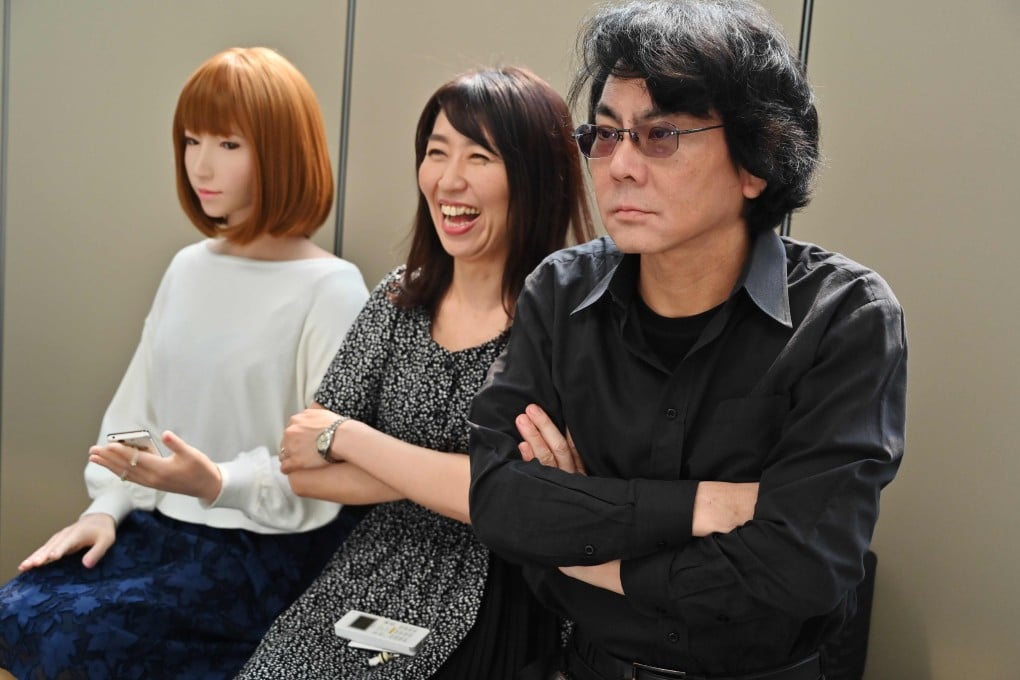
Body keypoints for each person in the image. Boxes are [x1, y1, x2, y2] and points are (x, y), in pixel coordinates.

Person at [468, 2, 908, 679]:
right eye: (606, 134)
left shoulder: (843, 315)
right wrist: (708, 506)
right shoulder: (560, 291)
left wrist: (584, 538)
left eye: (661, 135)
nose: (619, 167)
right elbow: (500, 501)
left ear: (755, 160)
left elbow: (801, 568)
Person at [0, 47, 369, 679]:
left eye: (228, 144)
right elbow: (134, 418)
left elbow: (328, 471)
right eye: (191, 139)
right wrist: (104, 511)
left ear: (282, 151)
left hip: (264, 555)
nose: (200, 164)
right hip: (159, 531)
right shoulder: (188, 267)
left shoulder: (333, 290)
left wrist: (215, 482)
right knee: (16, 614)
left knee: (73, 647)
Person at [235, 65, 595, 680]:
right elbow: (304, 464)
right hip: (375, 568)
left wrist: (353, 440)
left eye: (480, 156)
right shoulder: (401, 298)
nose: (448, 180)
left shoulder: (568, 319)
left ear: (535, 177)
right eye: (436, 152)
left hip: (504, 587)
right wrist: (474, 482)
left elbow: (545, 507)